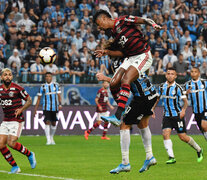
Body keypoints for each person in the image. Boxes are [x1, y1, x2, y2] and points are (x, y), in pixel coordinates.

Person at [93, 9, 162, 126]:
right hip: (130, 57)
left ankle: (117, 116)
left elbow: (144, 20)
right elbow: (122, 54)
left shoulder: (123, 20)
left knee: (126, 79)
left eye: (99, 25)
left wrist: (154, 24)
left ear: (103, 19)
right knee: (113, 83)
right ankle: (122, 109)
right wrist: (106, 52)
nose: (100, 29)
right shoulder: (114, 34)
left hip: (143, 55)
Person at [96, 72, 158, 173]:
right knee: (142, 124)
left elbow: (123, 82)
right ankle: (150, 156)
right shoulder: (136, 61)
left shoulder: (126, 65)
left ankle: (125, 163)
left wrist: (105, 78)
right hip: (152, 95)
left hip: (141, 97)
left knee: (124, 125)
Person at [152, 67, 203, 164]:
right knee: (165, 134)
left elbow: (185, 102)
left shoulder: (178, 88)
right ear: (165, 75)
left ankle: (199, 149)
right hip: (167, 115)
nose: (170, 75)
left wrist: (183, 110)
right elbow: (157, 99)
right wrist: (153, 109)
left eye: (172, 74)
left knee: (183, 137)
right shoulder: (162, 87)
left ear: (175, 76)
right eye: (168, 73)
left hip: (177, 116)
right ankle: (171, 157)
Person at [0, 68, 36, 174]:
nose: (7, 76)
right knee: (1, 145)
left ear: (12, 77)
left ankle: (29, 154)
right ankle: (15, 167)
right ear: (1, 77)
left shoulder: (17, 89)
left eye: (10, 75)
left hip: (17, 120)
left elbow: (29, 100)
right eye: (5, 75)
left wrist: (21, 109)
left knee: (11, 143)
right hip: (6, 120)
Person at [34, 72, 62, 145]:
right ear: (45, 78)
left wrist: (60, 104)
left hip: (54, 107)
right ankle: (48, 140)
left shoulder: (56, 85)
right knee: (47, 121)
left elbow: (59, 95)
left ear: (51, 77)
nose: (48, 77)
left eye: (49, 76)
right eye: (47, 76)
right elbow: (39, 98)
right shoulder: (42, 86)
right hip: (46, 107)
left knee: (53, 123)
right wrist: (35, 109)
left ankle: (51, 137)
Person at [184, 67, 207, 141]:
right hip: (196, 111)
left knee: (204, 126)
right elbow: (184, 98)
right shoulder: (187, 85)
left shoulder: (204, 82)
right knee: (203, 130)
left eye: (195, 72)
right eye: (192, 72)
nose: (193, 73)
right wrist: (186, 94)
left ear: (199, 73)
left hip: (205, 108)